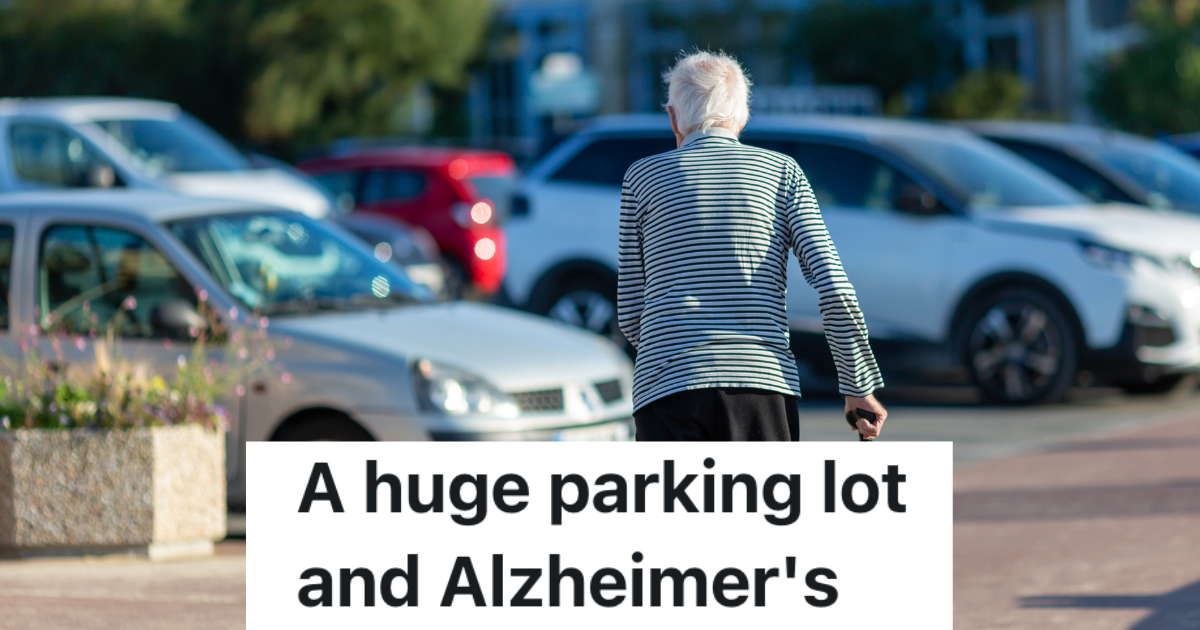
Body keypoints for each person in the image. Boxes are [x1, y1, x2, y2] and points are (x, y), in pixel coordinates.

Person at [617, 51, 888, 442]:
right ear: (741, 117)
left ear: (673, 118)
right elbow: (834, 286)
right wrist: (858, 385)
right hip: (762, 384)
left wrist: (676, 351)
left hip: (666, 390)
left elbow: (630, 312)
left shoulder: (641, 178)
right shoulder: (783, 173)